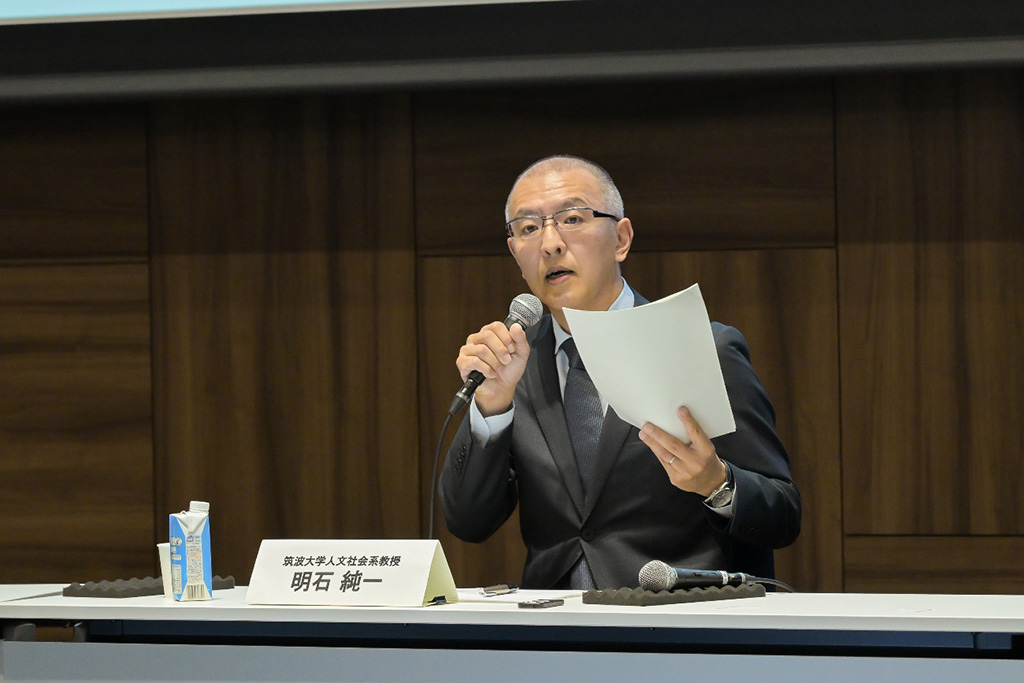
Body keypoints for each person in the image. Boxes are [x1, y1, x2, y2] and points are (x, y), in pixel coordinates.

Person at [439, 155, 801, 590]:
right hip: (554, 634)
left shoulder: (702, 347)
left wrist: (716, 484)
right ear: (515, 252)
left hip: (677, 624)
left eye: (572, 218)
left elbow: (783, 515)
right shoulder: (512, 367)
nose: (550, 243)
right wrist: (490, 408)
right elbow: (468, 523)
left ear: (622, 239)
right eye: (529, 228)